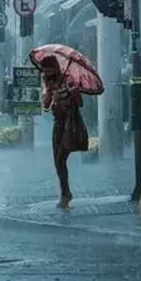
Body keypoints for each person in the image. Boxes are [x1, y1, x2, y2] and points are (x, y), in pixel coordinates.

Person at [41, 55, 86, 210]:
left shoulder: (68, 80)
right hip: (57, 123)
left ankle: (65, 195)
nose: (46, 74)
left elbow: (80, 102)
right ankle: (65, 193)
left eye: (49, 70)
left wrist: (72, 92)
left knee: (61, 159)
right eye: (44, 71)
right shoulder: (47, 82)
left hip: (69, 122)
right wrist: (48, 94)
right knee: (58, 162)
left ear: (55, 68)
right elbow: (46, 106)